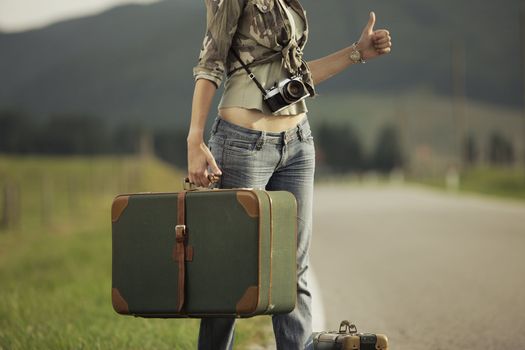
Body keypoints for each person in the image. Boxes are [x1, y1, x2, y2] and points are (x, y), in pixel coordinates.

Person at [187, 0, 392, 349]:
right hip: (242, 142)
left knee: (294, 271)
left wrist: (357, 53)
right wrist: (195, 139)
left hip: (298, 142)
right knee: (229, 272)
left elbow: (295, 77)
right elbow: (211, 61)